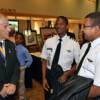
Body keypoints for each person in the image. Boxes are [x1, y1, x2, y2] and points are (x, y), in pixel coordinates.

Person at [41, 16, 80, 100]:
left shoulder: (74, 44)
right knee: (48, 97)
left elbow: (78, 63)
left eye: (61, 24)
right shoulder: (48, 41)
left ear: (67, 26)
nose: (58, 26)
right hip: (49, 76)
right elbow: (44, 60)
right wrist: (44, 78)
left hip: (64, 77)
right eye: (57, 24)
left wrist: (67, 74)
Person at [78, 12, 100, 99]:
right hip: (80, 88)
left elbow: (98, 88)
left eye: (85, 27)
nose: (82, 30)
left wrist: (76, 96)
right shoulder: (85, 46)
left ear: (97, 28)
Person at [0, 14, 19, 100]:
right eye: (5, 26)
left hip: (11, 93)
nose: (9, 29)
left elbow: (16, 65)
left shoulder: (11, 45)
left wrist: (13, 83)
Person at [15, 32, 33, 100]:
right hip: (14, 69)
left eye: (20, 39)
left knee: (21, 84)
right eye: (16, 38)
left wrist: (24, 67)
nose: (18, 40)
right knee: (15, 84)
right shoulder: (13, 47)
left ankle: (22, 98)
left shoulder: (24, 49)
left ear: (22, 40)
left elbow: (30, 60)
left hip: (21, 68)